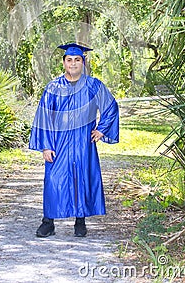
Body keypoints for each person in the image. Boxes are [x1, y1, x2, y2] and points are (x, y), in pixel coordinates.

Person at [29, 43, 119, 238]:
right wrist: (45, 145)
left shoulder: (93, 86)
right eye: (69, 60)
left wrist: (102, 130)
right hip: (58, 143)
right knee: (53, 181)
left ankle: (80, 221)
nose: (73, 63)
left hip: (82, 143)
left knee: (82, 179)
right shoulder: (53, 87)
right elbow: (44, 117)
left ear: (83, 62)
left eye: (77, 60)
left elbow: (111, 107)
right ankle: (48, 222)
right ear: (63, 63)